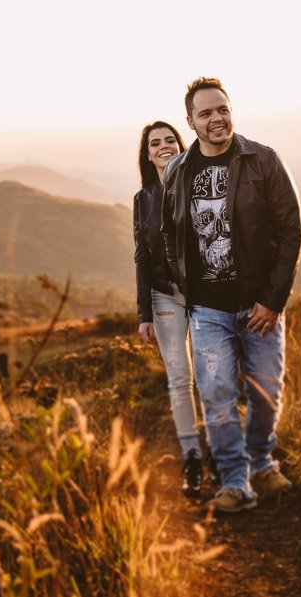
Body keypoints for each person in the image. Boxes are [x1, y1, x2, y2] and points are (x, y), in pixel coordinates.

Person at [160, 77, 301, 513]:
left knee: (265, 392)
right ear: (191, 122)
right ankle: (235, 480)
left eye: (222, 109)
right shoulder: (178, 171)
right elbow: (170, 235)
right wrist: (185, 291)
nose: (216, 118)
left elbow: (290, 231)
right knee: (217, 393)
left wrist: (273, 300)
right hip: (208, 311)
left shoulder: (263, 160)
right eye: (205, 113)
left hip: (260, 306)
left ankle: (261, 462)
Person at [133, 120, 206, 497]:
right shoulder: (143, 199)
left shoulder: (201, 185)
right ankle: (192, 457)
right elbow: (142, 258)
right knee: (180, 379)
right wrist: (144, 313)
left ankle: (227, 451)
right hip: (164, 297)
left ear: (181, 144)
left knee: (212, 377)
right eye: (155, 143)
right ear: (147, 155)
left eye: (169, 140)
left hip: (207, 294)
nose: (163, 146)